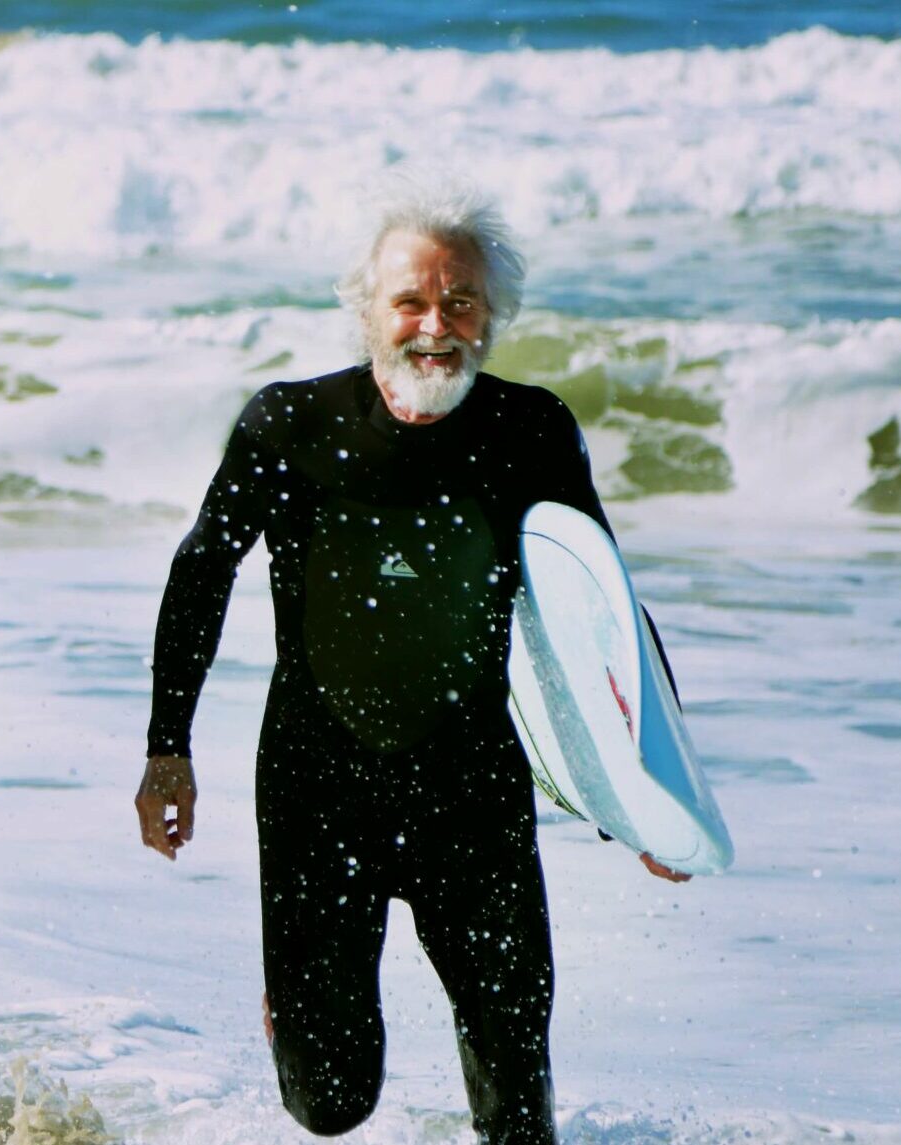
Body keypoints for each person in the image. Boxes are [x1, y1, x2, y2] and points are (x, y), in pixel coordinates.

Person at [130, 181, 688, 1145]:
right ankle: (298, 1012)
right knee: (331, 1100)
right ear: (367, 310)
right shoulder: (290, 428)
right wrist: (167, 748)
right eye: (412, 302)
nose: (437, 325)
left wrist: (650, 791)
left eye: (462, 302)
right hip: (317, 789)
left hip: (470, 787)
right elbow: (202, 569)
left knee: (519, 1098)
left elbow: (604, 606)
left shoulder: (531, 431)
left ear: (493, 316)